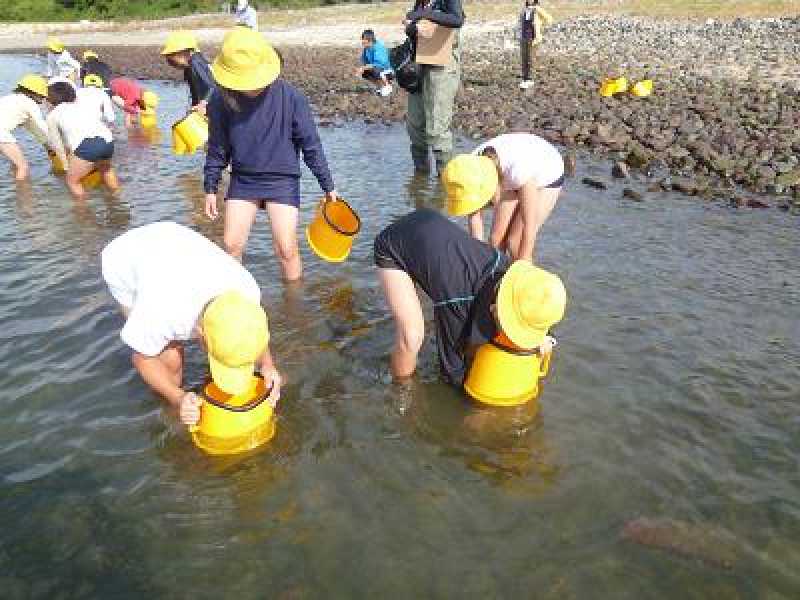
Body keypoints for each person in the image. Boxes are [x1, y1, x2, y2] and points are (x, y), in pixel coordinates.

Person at [101, 221, 282, 427]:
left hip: (175, 242)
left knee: (180, 344)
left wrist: (268, 365)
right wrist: (178, 398)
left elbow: (251, 329)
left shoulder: (248, 292)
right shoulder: (161, 311)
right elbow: (141, 357)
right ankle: (168, 405)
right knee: (169, 356)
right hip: (124, 259)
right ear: (200, 336)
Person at [374, 208, 566, 386]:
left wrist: (547, 337)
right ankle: (400, 391)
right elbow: (451, 369)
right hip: (393, 245)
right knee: (412, 337)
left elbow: (540, 309)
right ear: (495, 309)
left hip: (431, 227)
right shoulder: (458, 300)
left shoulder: (517, 276)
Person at [204, 28, 337, 282]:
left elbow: (311, 145)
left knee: (286, 248)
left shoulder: (292, 98)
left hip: (282, 180)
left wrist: (327, 185)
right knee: (231, 246)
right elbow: (217, 147)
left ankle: (294, 305)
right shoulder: (222, 101)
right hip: (243, 179)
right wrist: (210, 187)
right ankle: (237, 303)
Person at [444, 135, 564, 262]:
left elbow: (530, 225)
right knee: (495, 241)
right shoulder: (466, 170)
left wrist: (523, 264)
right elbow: (475, 218)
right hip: (508, 174)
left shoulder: (518, 171)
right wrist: (478, 258)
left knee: (514, 242)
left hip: (547, 173)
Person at [403, 0, 464, 174]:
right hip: (419, 64)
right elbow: (415, 22)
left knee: (437, 129)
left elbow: (456, 19)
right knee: (415, 126)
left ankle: (445, 181)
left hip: (442, 67)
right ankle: (420, 178)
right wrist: (411, 28)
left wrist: (424, 15)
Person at [46, 81, 119, 199]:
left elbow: (57, 145)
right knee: (106, 169)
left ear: (51, 99)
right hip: (108, 141)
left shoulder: (52, 116)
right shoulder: (81, 107)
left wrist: (65, 166)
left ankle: (82, 212)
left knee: (72, 181)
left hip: (88, 145)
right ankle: (116, 199)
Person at [0, 75, 49, 181]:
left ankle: (13, 188)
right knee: (23, 167)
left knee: (16, 164)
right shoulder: (30, 103)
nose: (43, 99)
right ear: (34, 93)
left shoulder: (10, 99)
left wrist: (48, 146)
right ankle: (23, 196)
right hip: (1, 134)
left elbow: (32, 127)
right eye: (42, 95)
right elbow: (42, 126)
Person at [160, 31, 216, 116]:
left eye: (172, 56)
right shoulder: (188, 66)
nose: (170, 61)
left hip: (215, 104)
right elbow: (194, 91)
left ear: (183, 52)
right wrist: (193, 108)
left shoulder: (196, 62)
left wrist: (203, 103)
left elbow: (213, 86)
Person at [519, 0, 553, 89]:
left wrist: (540, 25)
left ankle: (529, 79)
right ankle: (525, 78)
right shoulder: (524, 10)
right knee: (524, 58)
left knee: (530, 58)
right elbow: (521, 24)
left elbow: (549, 19)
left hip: (533, 38)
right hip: (524, 37)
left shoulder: (537, 10)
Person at [357, 29, 394, 97]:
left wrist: (364, 67)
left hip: (388, 71)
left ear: (370, 41)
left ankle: (388, 86)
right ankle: (380, 87)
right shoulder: (366, 48)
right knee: (365, 73)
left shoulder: (379, 48)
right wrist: (362, 69)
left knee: (376, 70)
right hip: (378, 69)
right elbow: (364, 61)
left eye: (364, 42)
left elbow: (380, 64)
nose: (363, 44)